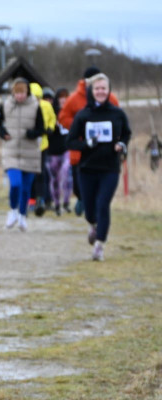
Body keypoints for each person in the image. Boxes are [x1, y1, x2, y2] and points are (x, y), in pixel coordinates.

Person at [66, 72, 130, 261]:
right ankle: (93, 225)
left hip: (110, 168)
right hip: (87, 169)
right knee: (90, 210)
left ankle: (99, 245)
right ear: (91, 91)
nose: (101, 91)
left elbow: (127, 133)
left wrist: (122, 144)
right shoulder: (83, 115)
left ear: (109, 90)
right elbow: (70, 142)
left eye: (104, 88)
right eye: (97, 88)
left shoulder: (117, 114)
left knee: (103, 205)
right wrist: (87, 144)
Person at [59, 67, 120, 217]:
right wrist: (80, 127)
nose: (97, 87)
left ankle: (96, 210)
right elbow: (63, 117)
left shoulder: (111, 98)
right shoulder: (74, 98)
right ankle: (82, 199)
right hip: (80, 151)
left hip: (105, 153)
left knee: (101, 189)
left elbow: (118, 120)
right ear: (85, 82)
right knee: (79, 186)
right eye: (91, 82)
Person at [0, 78, 45, 231]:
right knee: (15, 184)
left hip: (30, 152)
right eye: (17, 93)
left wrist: (32, 133)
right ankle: (13, 210)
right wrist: (2, 133)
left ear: (27, 92)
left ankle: (22, 215)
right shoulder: (6, 105)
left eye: (22, 93)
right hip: (11, 151)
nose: (20, 96)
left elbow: (41, 128)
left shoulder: (36, 106)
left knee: (26, 188)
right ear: (13, 93)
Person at [29, 82, 58, 217]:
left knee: (40, 173)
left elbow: (53, 118)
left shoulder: (46, 106)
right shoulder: (25, 108)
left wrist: (50, 128)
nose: (35, 100)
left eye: (38, 97)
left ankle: (40, 199)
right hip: (28, 146)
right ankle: (30, 200)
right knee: (29, 174)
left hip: (42, 145)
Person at [46, 88, 73, 214]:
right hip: (52, 151)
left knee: (66, 174)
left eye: (66, 97)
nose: (63, 100)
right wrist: (53, 126)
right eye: (61, 97)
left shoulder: (72, 113)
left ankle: (66, 201)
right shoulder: (51, 112)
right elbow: (46, 129)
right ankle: (56, 203)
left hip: (67, 149)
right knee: (55, 179)